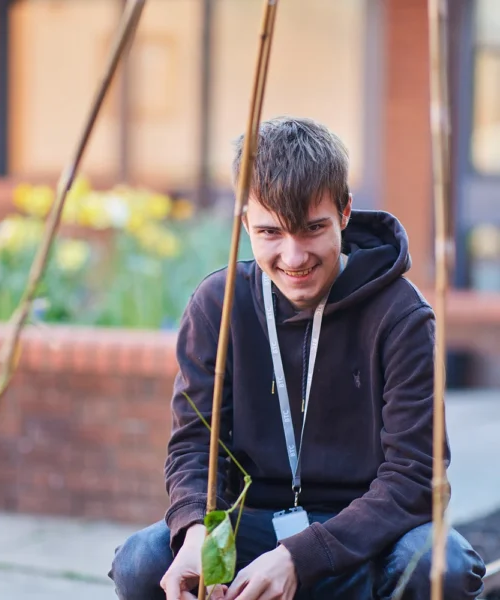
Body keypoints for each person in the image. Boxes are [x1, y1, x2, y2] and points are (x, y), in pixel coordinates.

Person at [109, 117, 485, 600]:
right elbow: (194, 447)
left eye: (312, 229)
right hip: (253, 527)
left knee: (442, 566)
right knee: (142, 562)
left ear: (345, 213)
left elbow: (416, 480)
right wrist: (196, 532)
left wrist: (298, 558)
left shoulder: (402, 315)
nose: (293, 256)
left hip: (363, 533)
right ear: (244, 223)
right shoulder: (217, 306)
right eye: (269, 232)